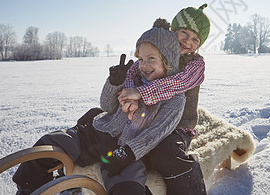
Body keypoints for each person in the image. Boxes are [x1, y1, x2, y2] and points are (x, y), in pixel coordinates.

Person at [12, 21, 186, 195]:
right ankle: (28, 189)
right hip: (98, 133)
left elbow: (156, 133)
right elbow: (107, 106)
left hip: (128, 150)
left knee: (128, 188)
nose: (144, 64)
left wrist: (128, 153)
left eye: (151, 59)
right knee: (46, 147)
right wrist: (114, 82)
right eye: (141, 59)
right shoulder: (134, 80)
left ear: (167, 60)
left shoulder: (175, 98)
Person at [118, 4, 211, 195]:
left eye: (195, 39)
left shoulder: (196, 65)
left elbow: (178, 83)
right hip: (148, 121)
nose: (188, 41)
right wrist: (130, 96)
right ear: (173, 31)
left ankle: (191, 188)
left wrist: (141, 92)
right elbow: (132, 71)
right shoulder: (156, 52)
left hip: (178, 127)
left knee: (164, 153)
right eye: (184, 32)